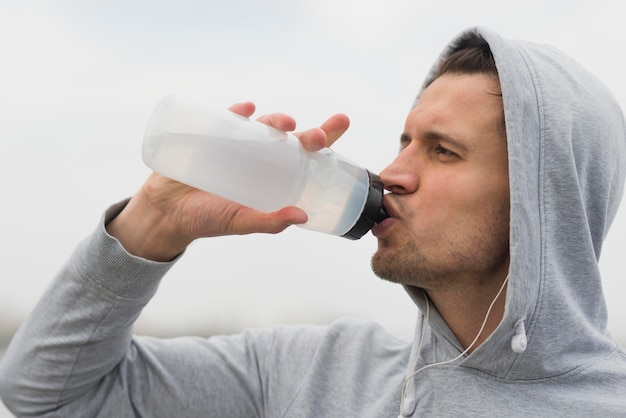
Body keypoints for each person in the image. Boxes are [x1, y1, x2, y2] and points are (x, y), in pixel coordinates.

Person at [1, 26, 625, 417]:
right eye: (403, 142)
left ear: (546, 199)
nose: (392, 172)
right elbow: (43, 394)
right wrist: (154, 225)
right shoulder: (313, 370)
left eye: (443, 151)